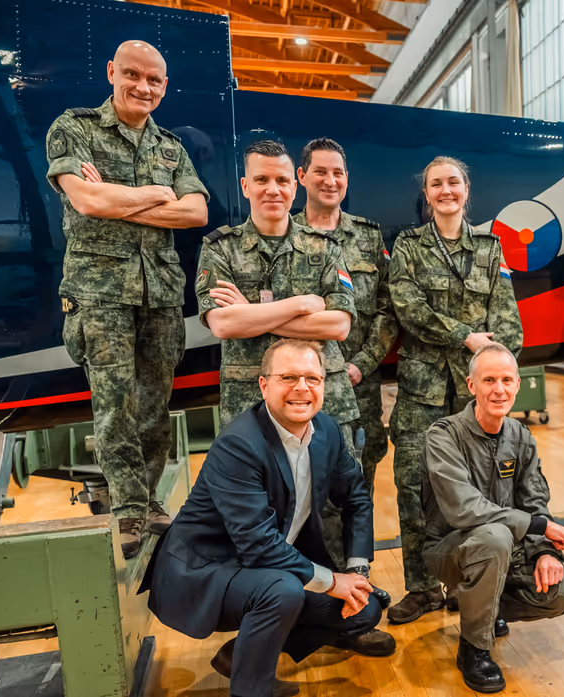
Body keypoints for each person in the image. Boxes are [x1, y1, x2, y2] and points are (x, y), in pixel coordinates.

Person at [141, 339, 395, 697]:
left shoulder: (327, 431)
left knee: (364, 610)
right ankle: (251, 688)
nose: (302, 388)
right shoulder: (239, 444)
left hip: (268, 565)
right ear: (264, 385)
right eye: (288, 377)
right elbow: (257, 543)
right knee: (283, 590)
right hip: (208, 569)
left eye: (312, 378)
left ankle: (241, 656)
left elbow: (356, 498)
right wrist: (330, 581)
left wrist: (357, 572)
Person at [46, 40, 209, 559]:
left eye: (154, 79)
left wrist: (117, 200)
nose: (143, 87)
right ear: (112, 72)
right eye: (133, 75)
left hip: (159, 292)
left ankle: (149, 499)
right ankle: (129, 509)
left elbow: (196, 212)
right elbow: (85, 199)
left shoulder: (170, 147)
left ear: (164, 85)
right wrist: (158, 195)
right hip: (100, 294)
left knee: (155, 407)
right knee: (114, 406)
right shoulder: (75, 128)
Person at [386, 156, 524, 624]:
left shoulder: (490, 247)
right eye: (436, 184)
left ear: (466, 189)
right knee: (414, 487)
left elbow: (507, 320)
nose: (445, 190)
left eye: (453, 182)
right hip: (421, 391)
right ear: (426, 194)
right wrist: (466, 337)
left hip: (475, 396)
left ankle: (477, 587)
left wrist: (494, 371)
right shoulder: (408, 246)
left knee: (485, 491)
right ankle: (423, 588)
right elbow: (407, 308)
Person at [422, 343, 564, 693]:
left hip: (505, 550)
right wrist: (537, 527)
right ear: (471, 385)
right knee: (496, 537)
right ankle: (474, 649)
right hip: (449, 550)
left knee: (563, 591)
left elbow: (535, 500)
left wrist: (544, 551)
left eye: (507, 380)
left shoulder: (521, 436)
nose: (499, 390)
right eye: (489, 380)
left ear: (518, 385)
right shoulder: (443, 435)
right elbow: (463, 508)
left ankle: (484, 608)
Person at [195, 140, 357, 443]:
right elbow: (224, 324)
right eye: (261, 179)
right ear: (245, 186)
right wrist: (302, 304)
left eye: (282, 180)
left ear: (294, 188)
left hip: (324, 405)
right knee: (253, 476)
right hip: (250, 405)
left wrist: (250, 314)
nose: (273, 189)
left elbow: (338, 325)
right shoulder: (220, 249)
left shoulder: (324, 247)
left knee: (331, 476)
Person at [293, 138, 397, 568]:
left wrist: (361, 365)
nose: (330, 180)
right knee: (300, 485)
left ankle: (357, 577)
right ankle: (311, 579)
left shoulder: (368, 237)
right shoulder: (284, 234)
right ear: (302, 176)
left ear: (347, 179)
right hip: (301, 387)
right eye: (320, 171)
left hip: (358, 388)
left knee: (356, 486)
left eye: (338, 172)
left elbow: (388, 309)